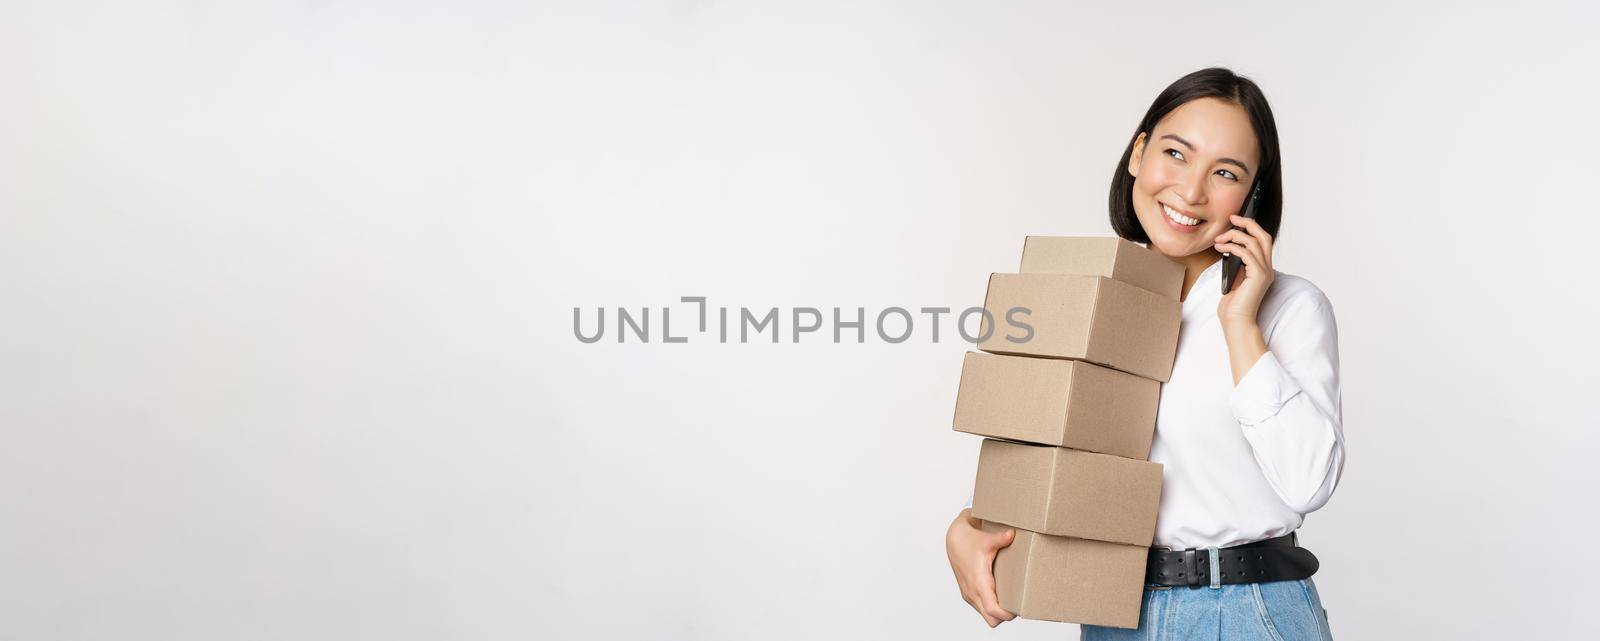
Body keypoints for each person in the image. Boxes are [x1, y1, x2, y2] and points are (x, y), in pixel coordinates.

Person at [945, 68, 1345, 641]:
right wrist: (968, 522)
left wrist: (1239, 324)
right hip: (1116, 611)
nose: (1190, 191)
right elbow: (1042, 442)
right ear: (1138, 154)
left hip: (1244, 610)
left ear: (1251, 194)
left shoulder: (1290, 307)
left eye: (1225, 172)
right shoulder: (1091, 294)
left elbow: (1309, 484)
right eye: (1176, 154)